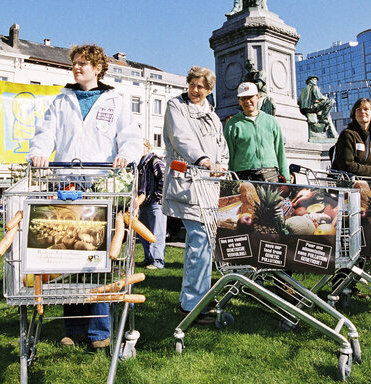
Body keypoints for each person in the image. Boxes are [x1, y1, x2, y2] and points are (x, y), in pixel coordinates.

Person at [27, 44, 143, 348]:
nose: (77, 68)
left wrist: (126, 156)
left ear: (98, 68)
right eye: (75, 64)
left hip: (99, 183)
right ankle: (73, 328)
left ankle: (98, 332)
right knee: (67, 251)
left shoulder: (114, 100)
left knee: (96, 252)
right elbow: (45, 133)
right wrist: (39, 153)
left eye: (84, 64)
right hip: (66, 182)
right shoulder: (61, 100)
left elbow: (129, 137)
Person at [162, 66, 228, 323]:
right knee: (199, 239)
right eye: (192, 85)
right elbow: (180, 138)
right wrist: (204, 160)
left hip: (209, 185)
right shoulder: (175, 106)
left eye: (201, 87)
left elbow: (221, 146)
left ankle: (199, 298)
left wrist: (221, 164)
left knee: (206, 242)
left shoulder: (212, 114)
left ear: (209, 90)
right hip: (188, 184)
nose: (195, 90)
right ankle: (190, 305)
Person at [224, 82, 288, 183]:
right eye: (243, 98)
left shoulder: (271, 121)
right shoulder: (232, 124)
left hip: (270, 174)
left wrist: (286, 178)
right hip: (242, 175)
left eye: (250, 97)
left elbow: (280, 151)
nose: (247, 101)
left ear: (257, 97)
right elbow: (228, 154)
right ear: (239, 101)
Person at [331, 98, 371, 177]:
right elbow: (346, 165)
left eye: (366, 109)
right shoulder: (347, 135)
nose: (362, 112)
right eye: (359, 109)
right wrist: (370, 171)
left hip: (367, 183)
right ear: (354, 114)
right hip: (345, 183)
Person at [137, 139, 166, 269]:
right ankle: (148, 258)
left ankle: (158, 261)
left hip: (155, 202)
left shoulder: (155, 161)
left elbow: (164, 178)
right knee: (143, 232)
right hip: (144, 203)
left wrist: (158, 195)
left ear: (148, 148)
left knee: (157, 233)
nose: (139, 149)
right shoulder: (140, 164)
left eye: (142, 146)